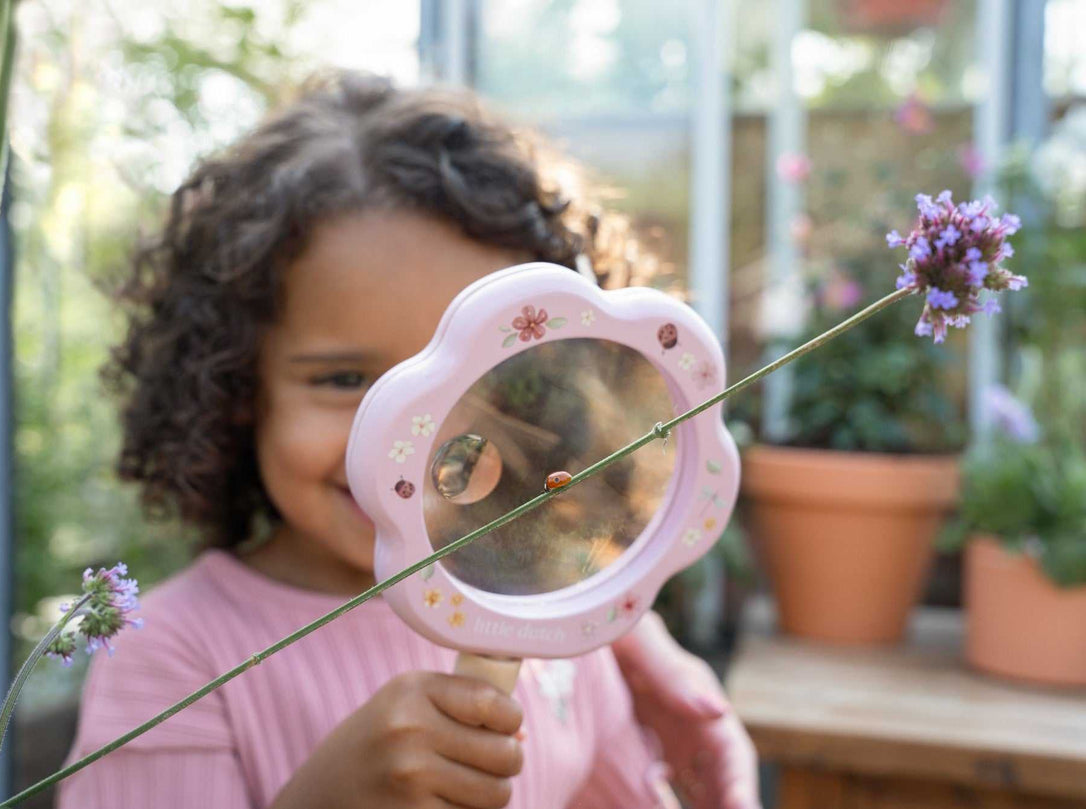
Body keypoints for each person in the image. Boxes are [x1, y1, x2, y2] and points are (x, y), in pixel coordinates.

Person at [57, 71, 759, 809]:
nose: (416, 439)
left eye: (485, 380)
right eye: (345, 378)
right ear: (235, 389)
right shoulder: (172, 656)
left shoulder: (553, 622)